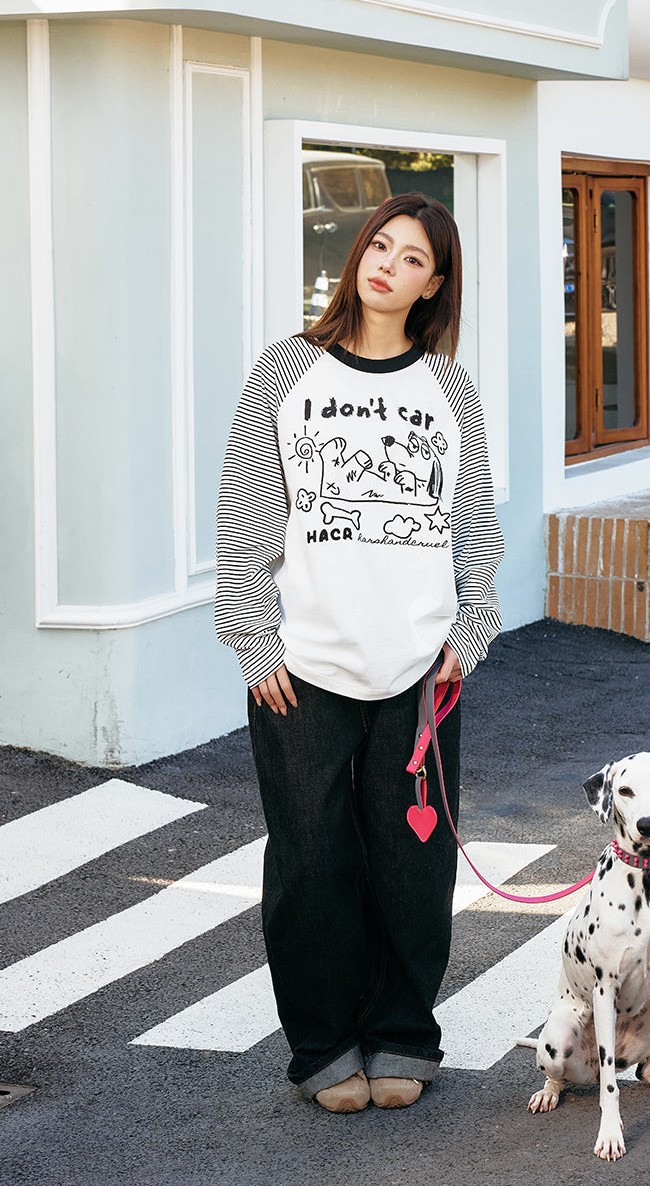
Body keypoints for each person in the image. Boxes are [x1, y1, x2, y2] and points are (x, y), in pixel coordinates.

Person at [215, 193, 504, 1113]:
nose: (386, 263)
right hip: (300, 668)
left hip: (420, 668)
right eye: (379, 245)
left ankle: (401, 1034)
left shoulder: (450, 390)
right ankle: (323, 1044)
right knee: (311, 863)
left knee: (412, 864)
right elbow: (247, 517)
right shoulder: (284, 372)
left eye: (411, 257)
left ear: (435, 284)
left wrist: (471, 629)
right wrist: (254, 638)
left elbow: (474, 528)